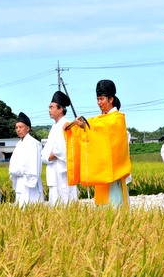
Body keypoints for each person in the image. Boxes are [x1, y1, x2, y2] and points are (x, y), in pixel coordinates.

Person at [72, 79, 131, 207]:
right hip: (101, 175)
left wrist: (86, 126)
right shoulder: (100, 120)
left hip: (113, 176)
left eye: (101, 99)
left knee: (115, 210)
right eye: (97, 99)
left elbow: (103, 129)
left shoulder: (117, 118)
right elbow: (95, 129)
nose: (99, 103)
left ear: (111, 99)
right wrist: (73, 127)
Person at [41, 91, 78, 206]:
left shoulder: (66, 125)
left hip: (62, 172)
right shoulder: (54, 127)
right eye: (49, 107)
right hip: (53, 171)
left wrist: (48, 157)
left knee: (66, 202)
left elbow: (61, 149)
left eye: (52, 107)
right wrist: (46, 156)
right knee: (55, 204)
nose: (49, 110)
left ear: (60, 109)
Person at [9, 112, 44, 206]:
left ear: (28, 128)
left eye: (21, 127)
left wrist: (19, 170)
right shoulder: (18, 144)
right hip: (20, 183)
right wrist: (14, 170)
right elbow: (13, 163)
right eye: (16, 128)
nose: (18, 130)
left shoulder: (34, 143)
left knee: (32, 208)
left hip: (30, 183)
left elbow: (34, 165)